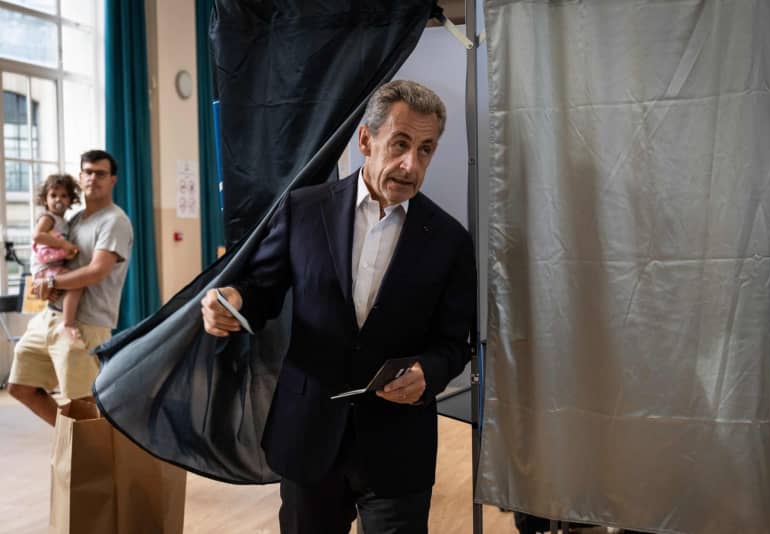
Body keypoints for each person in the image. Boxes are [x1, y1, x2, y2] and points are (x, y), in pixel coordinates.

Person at [201, 80, 477, 534]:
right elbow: (262, 291)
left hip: (397, 446)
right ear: (366, 140)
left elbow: (454, 344)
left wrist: (428, 372)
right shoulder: (303, 210)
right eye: (401, 143)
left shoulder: (449, 240)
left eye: (426, 149)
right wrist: (233, 300)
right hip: (308, 434)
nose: (411, 164)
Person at [7, 149, 133, 426]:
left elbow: (97, 271)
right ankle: (72, 438)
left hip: (86, 323)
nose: (93, 178)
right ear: (80, 177)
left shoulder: (115, 221)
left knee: (84, 403)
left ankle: (97, 455)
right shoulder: (74, 220)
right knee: (20, 386)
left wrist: (51, 282)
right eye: (87, 172)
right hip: (49, 317)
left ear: (113, 180)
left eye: (100, 173)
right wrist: (47, 285)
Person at [30, 173, 85, 348]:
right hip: (44, 267)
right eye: (53, 195)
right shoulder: (48, 218)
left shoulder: (65, 222)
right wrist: (63, 243)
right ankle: (68, 324)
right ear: (45, 198)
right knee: (76, 283)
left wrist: (69, 251)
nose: (58, 200)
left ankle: (61, 316)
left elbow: (60, 250)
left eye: (63, 195)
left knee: (62, 287)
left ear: (71, 200)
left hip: (52, 265)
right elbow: (38, 236)